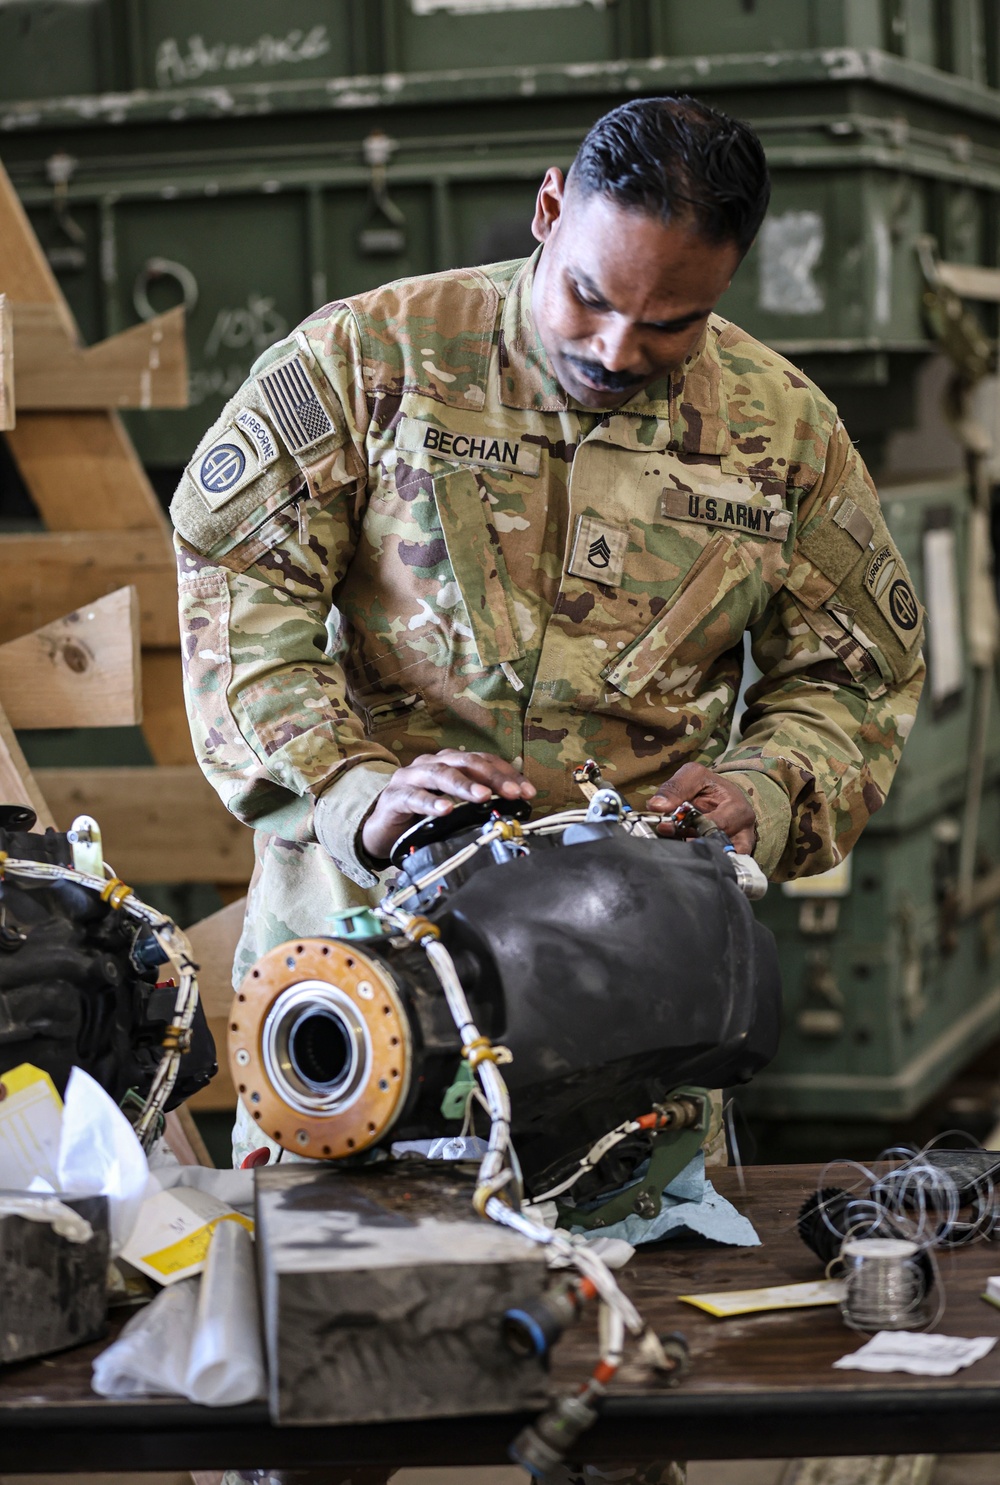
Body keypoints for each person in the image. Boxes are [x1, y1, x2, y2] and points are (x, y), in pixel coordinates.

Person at [172, 92, 923, 1144]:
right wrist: (352, 790)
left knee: (637, 1293)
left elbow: (856, 676)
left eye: (671, 324)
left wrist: (768, 792)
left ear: (726, 280)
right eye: (588, 297)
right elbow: (237, 605)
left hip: (638, 1001)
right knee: (328, 1288)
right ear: (547, 208)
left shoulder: (784, 433)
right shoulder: (365, 364)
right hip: (362, 977)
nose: (617, 350)